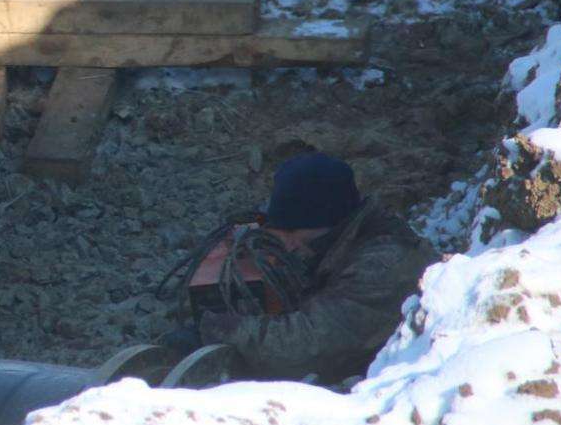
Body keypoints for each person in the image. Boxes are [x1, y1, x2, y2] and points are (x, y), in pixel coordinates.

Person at [166, 152, 435, 383]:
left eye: (293, 230)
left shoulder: (385, 265)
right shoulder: (340, 239)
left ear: (324, 221)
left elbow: (309, 345)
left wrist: (220, 329)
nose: (289, 243)